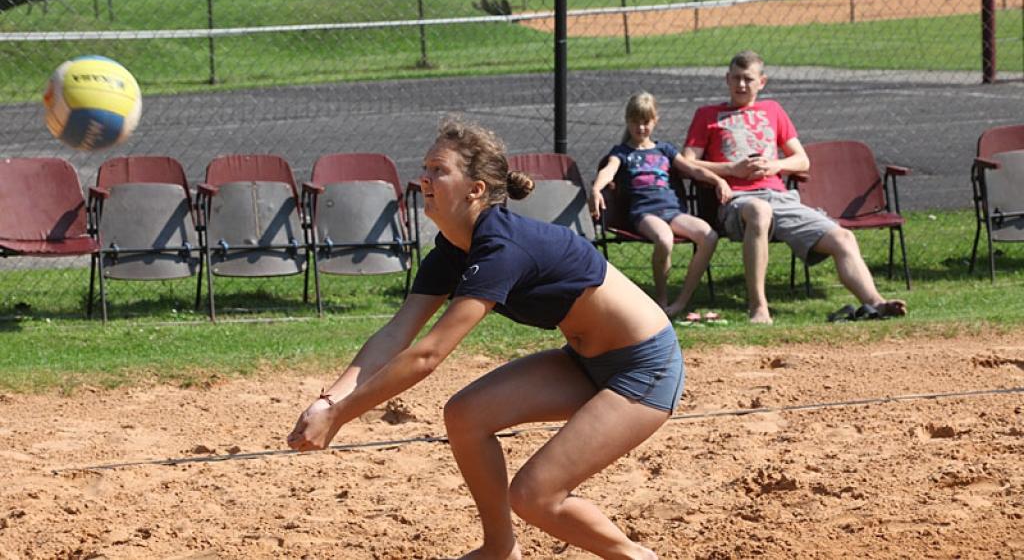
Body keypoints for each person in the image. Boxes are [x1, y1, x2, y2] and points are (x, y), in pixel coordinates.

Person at [288, 117, 682, 560]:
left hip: (645, 367)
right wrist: (329, 401)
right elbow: (397, 333)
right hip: (585, 361)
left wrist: (341, 417)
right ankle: (500, 550)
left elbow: (427, 355)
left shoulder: (501, 247)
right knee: (465, 415)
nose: (424, 178)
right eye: (425, 167)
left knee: (536, 495)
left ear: (475, 189)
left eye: (439, 169)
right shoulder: (452, 250)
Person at [682, 49, 908, 324]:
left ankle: (876, 303)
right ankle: (759, 307)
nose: (742, 85)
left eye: (749, 79)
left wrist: (775, 166)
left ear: (761, 82)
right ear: (727, 79)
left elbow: (802, 161)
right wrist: (732, 170)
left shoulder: (773, 111)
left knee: (843, 238)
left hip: (781, 197)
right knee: (759, 210)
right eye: (736, 79)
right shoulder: (708, 115)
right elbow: (687, 162)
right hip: (738, 201)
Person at [590, 91, 730, 318]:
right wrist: (596, 188)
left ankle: (682, 300)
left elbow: (691, 168)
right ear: (628, 121)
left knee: (709, 236)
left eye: (645, 122)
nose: (641, 128)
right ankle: (662, 299)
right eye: (635, 122)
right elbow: (608, 170)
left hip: (673, 211)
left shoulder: (664, 150)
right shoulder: (622, 152)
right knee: (664, 239)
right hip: (645, 214)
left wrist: (718, 180)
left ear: (655, 120)